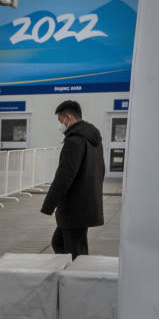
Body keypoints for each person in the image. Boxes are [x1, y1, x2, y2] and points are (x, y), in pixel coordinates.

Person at [40, 100, 105, 258]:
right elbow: (102, 169)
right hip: (85, 202)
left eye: (60, 120)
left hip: (75, 206)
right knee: (59, 242)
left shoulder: (74, 140)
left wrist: (48, 205)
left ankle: (77, 278)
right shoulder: (92, 137)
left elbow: (65, 175)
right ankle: (68, 275)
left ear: (68, 117)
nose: (60, 125)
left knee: (75, 252)